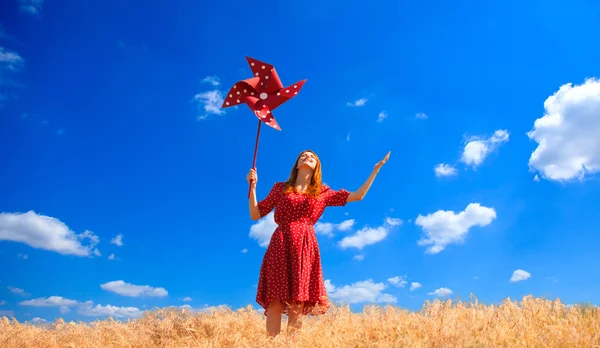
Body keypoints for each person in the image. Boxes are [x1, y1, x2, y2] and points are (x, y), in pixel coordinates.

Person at [246, 149, 391, 337]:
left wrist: (375, 171)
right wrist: (253, 187)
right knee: (275, 300)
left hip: (305, 244)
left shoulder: (322, 191)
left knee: (297, 301)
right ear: (297, 164)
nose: (308, 157)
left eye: (312, 157)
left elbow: (358, 196)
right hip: (280, 243)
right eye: (303, 156)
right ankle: (271, 344)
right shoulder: (280, 188)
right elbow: (255, 214)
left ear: (316, 167)